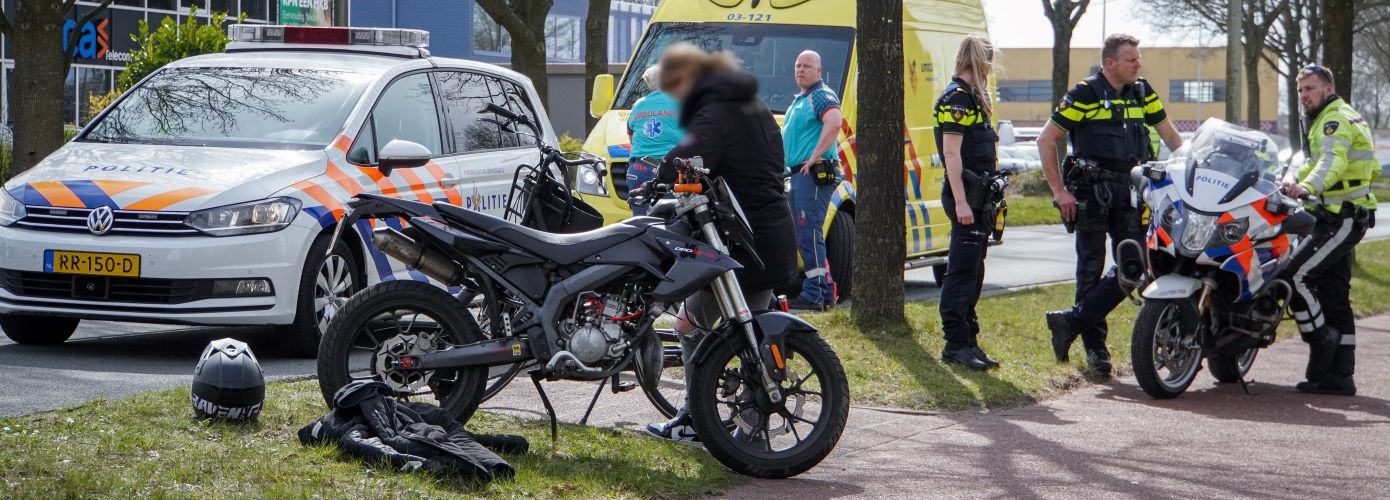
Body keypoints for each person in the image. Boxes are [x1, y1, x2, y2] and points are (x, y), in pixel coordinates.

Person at [642, 42, 797, 443]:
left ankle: (703, 421)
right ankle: (744, 427)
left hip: (741, 244)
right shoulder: (752, 106)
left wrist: (657, 173)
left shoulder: (717, 111)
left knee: (702, 329)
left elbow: (691, 155)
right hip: (767, 237)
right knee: (747, 335)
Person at [1038, 34, 1183, 375]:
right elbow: (1046, 140)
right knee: (1090, 267)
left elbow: (1172, 137)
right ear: (1110, 63)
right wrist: (1059, 191)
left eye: (1139, 58)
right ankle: (1096, 350)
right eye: (1131, 59)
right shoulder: (1083, 94)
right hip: (1090, 192)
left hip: (1131, 191)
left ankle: (1070, 322)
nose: (1138, 64)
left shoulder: (1143, 92)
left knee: (1135, 265)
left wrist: (1197, 168)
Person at [1281, 64, 1378, 396]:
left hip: (1342, 217)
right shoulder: (1335, 116)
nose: (1304, 96)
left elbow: (1331, 162)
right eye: (1300, 90)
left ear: (1328, 87)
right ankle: (1339, 376)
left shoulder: (1334, 120)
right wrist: (1290, 179)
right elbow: (1319, 160)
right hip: (1340, 214)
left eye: (1310, 88)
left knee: (1295, 276)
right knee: (1335, 295)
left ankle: (1322, 341)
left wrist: (1307, 187)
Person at [934, 34, 1001, 371]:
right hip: (965, 197)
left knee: (974, 270)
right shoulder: (958, 99)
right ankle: (955, 344)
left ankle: (968, 341)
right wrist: (961, 201)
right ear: (982, 62)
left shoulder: (973, 98)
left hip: (978, 197)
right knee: (961, 271)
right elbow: (951, 153)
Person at [781, 50, 844, 311]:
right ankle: (824, 291)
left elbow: (834, 121)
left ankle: (815, 293)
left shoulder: (820, 95)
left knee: (809, 233)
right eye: (797, 65)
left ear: (819, 71)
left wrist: (813, 156)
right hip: (798, 174)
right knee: (804, 234)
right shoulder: (802, 99)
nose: (801, 69)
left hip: (812, 174)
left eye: (807, 66)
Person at [626, 65, 683, 216]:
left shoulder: (638, 105)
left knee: (640, 218)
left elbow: (631, 135)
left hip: (638, 168)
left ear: (649, 84)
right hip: (669, 169)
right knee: (672, 217)